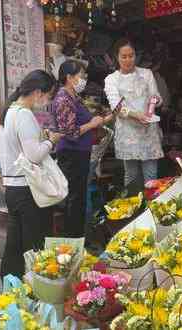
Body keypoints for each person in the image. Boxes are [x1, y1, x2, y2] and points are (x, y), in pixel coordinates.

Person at [0, 69, 62, 279]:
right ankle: (36, 289)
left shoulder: (10, 111)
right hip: (28, 191)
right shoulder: (24, 115)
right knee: (34, 244)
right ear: (37, 92)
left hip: (13, 190)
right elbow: (34, 156)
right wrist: (51, 141)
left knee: (15, 245)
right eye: (48, 95)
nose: (47, 100)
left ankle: (10, 285)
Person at [52, 60, 112, 238]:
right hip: (71, 155)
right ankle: (73, 240)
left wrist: (103, 119)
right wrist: (92, 123)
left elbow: (83, 123)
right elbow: (69, 132)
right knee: (74, 199)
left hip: (80, 153)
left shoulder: (74, 97)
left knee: (78, 198)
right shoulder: (63, 98)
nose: (84, 79)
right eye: (81, 75)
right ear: (69, 77)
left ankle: (78, 239)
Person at [104, 39, 164, 187]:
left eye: (131, 55)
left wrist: (155, 100)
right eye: (123, 56)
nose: (128, 60)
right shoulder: (111, 79)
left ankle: (151, 208)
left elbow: (156, 96)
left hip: (148, 131)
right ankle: (132, 209)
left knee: (151, 177)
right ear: (116, 57)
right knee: (131, 176)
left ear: (135, 55)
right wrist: (137, 115)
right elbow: (116, 107)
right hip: (127, 134)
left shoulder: (147, 74)